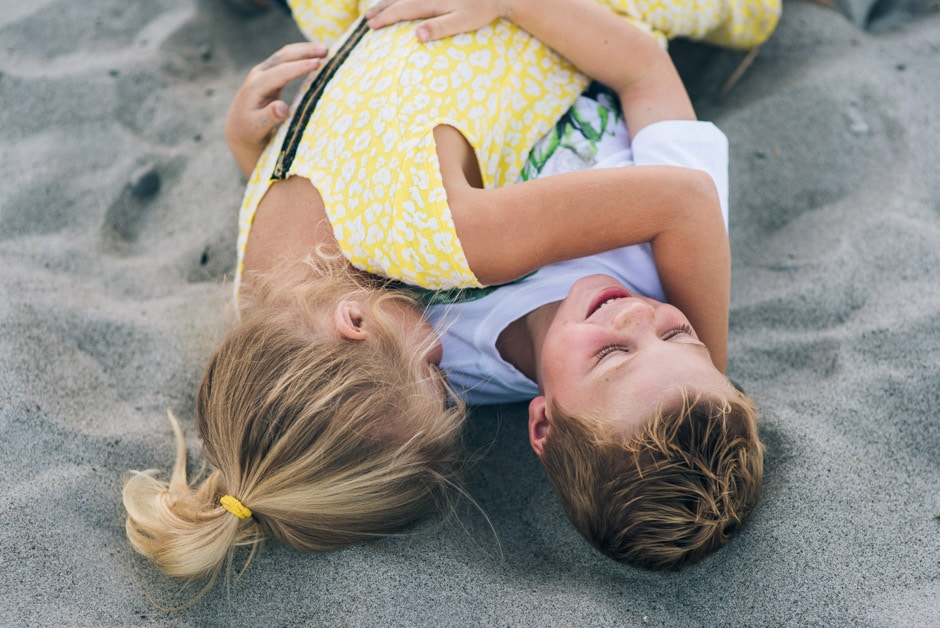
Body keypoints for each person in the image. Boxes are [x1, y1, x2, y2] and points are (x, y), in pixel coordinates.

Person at [123, 0, 778, 588]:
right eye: (675, 334)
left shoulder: (421, 339)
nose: (640, 317)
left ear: (542, 423)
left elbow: (313, 225)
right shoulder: (661, 275)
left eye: (613, 356)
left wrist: (250, 151)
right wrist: (707, 357)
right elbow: (648, 81)